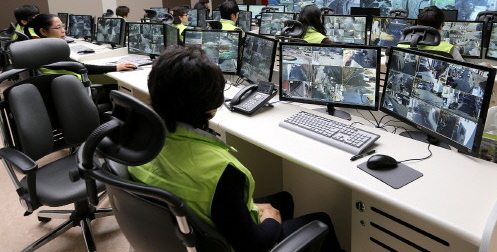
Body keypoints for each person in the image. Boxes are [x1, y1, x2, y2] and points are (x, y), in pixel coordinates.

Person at [128, 46, 343, 252]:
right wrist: (271, 220)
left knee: (284, 199)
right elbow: (253, 246)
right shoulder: (220, 170)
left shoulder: (139, 141)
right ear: (211, 103)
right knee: (320, 220)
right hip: (233, 245)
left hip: (183, 234)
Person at [26, 14, 136, 74]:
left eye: (63, 26)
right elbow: (82, 68)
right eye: (58, 27)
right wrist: (116, 67)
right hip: (76, 91)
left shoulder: (40, 47)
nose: (63, 31)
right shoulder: (53, 51)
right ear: (43, 31)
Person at [400, 6, 464, 61]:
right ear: (440, 26)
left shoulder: (401, 45)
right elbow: (463, 67)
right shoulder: (449, 49)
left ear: (417, 24)